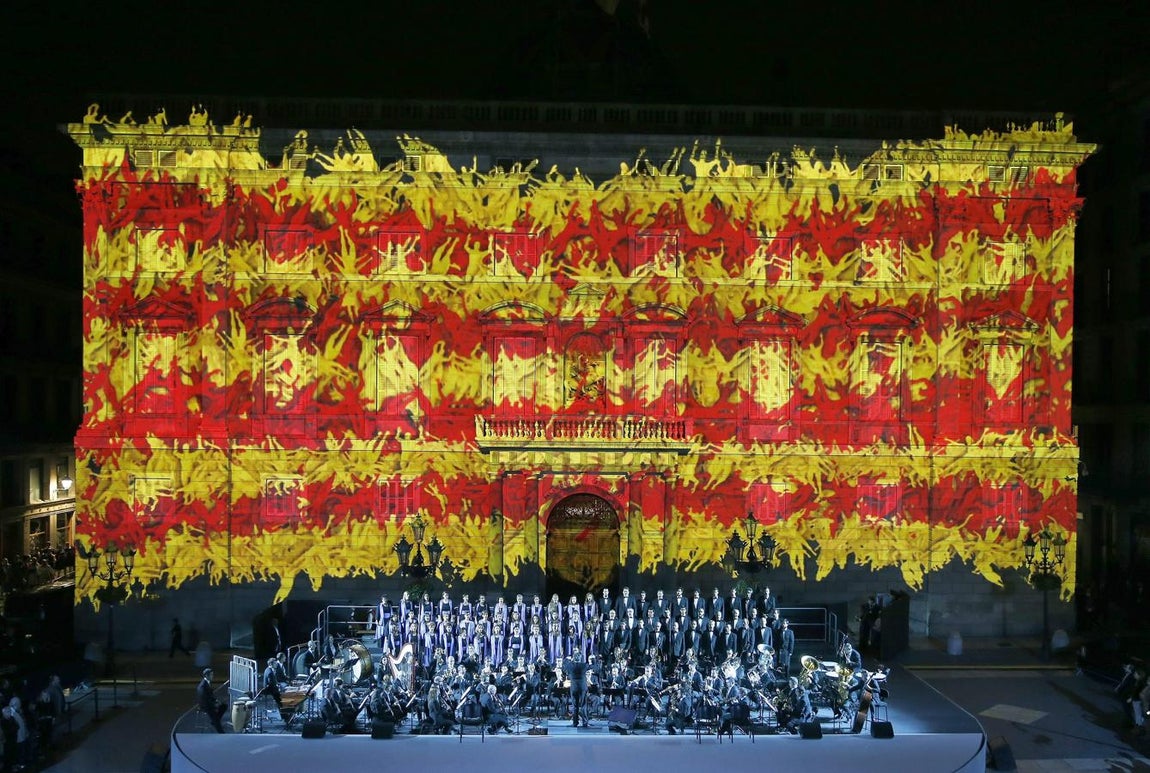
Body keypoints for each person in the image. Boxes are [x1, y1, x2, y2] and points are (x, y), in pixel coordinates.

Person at [197, 668, 227, 733]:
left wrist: (216, 701)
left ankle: (215, 722)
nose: (212, 676)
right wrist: (214, 704)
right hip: (206, 706)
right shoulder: (203, 685)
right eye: (211, 675)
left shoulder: (206, 683)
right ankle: (220, 731)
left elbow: (210, 695)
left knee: (224, 706)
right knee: (214, 716)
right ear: (206, 676)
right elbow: (204, 698)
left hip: (209, 703)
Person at [565, 651, 590, 727]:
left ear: (574, 658)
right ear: (580, 658)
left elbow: (564, 665)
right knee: (583, 705)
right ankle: (585, 722)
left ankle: (575, 723)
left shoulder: (569, 665)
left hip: (574, 688)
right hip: (582, 687)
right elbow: (595, 666)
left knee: (575, 706)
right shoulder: (584, 665)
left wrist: (568, 659)